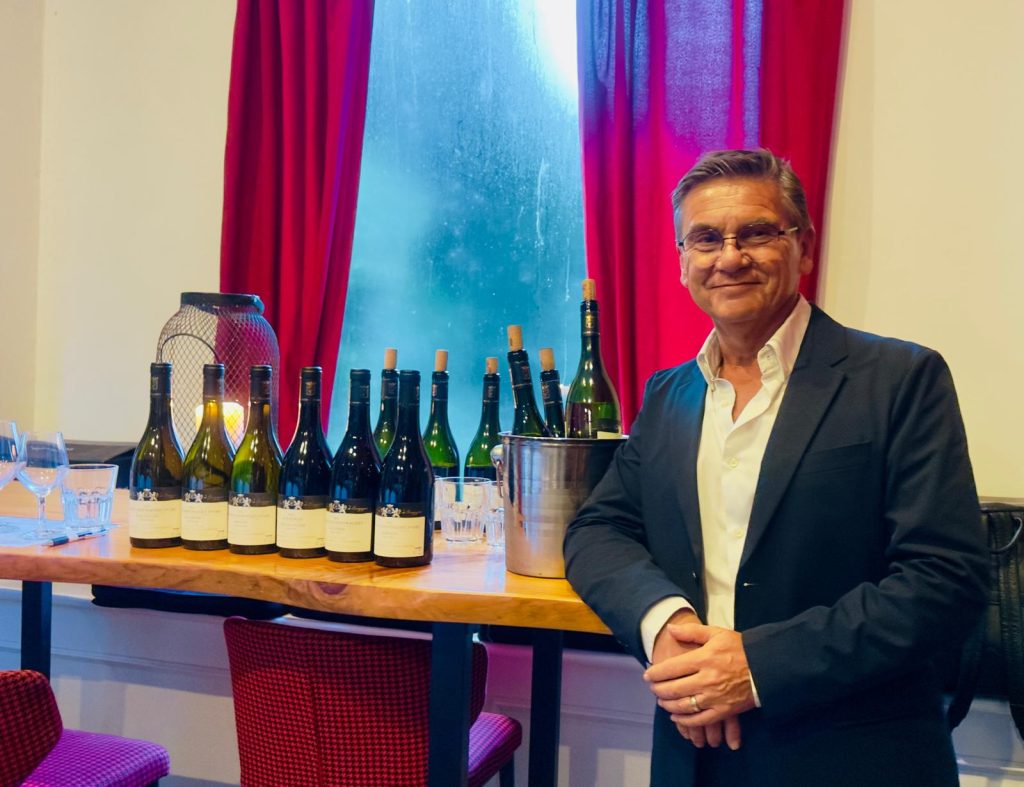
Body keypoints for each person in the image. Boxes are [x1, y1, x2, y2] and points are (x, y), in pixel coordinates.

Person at [563, 149, 988, 786]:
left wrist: (757, 667)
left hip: (851, 757)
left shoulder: (901, 380)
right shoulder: (667, 395)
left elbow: (945, 581)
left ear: (804, 247)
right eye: (706, 238)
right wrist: (666, 625)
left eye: (757, 233)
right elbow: (597, 530)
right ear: (683, 261)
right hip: (693, 753)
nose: (729, 257)